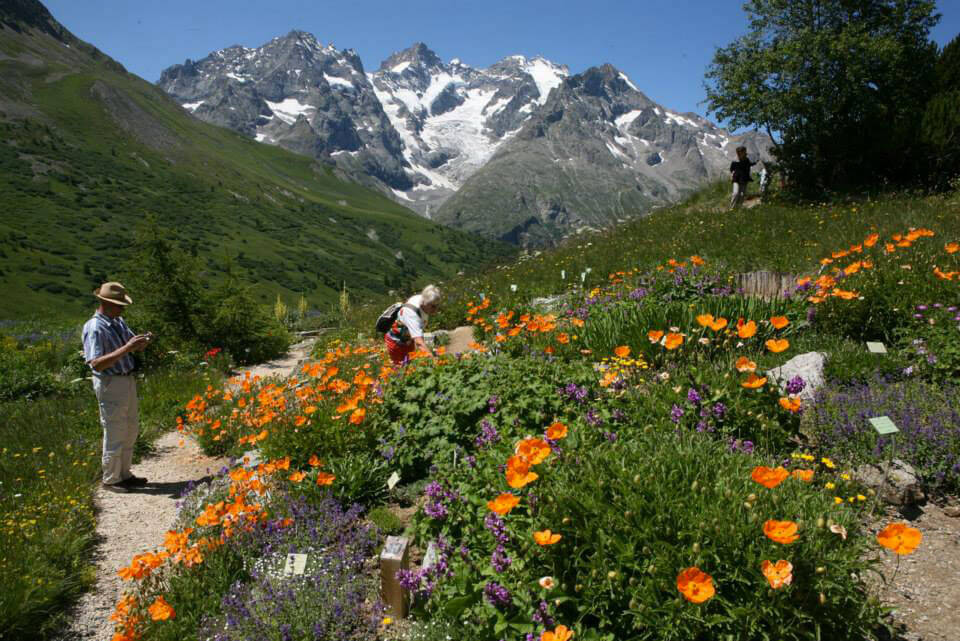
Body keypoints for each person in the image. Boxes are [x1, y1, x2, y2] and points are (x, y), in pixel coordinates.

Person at [82, 282, 153, 493]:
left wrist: (142, 342)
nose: (122, 309)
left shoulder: (118, 321)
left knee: (130, 428)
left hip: (126, 378)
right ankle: (111, 478)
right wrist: (128, 348)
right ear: (105, 303)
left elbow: (130, 345)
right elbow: (96, 362)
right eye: (118, 305)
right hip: (110, 382)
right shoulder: (95, 327)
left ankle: (125, 474)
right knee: (115, 429)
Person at [384, 284, 442, 365]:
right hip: (396, 342)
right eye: (433, 306)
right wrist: (433, 360)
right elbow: (419, 342)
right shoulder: (411, 314)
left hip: (407, 340)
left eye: (437, 305)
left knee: (411, 364)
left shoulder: (422, 298)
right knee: (400, 369)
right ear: (424, 302)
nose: (436, 309)